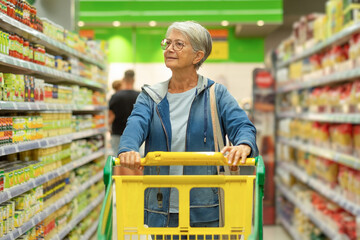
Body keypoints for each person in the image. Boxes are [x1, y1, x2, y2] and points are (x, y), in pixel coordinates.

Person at [118, 21, 258, 227]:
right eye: (167, 43)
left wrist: (244, 145)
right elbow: (135, 124)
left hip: (205, 207)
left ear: (198, 56)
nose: (169, 49)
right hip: (161, 206)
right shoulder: (151, 96)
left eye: (179, 44)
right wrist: (128, 149)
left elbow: (242, 126)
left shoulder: (215, 94)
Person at [109, 70, 141, 175]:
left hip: (117, 133)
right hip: (135, 135)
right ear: (134, 80)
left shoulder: (116, 96)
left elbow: (110, 117)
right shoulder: (140, 96)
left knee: (118, 161)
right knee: (136, 161)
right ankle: (139, 187)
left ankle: (119, 188)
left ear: (123, 80)